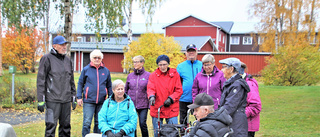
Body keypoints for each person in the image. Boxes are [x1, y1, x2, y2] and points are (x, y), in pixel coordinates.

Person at [37, 35, 76, 137]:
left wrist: (74, 97)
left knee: (66, 127)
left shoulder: (68, 61)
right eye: (61, 45)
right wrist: (40, 99)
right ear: (54, 46)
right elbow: (41, 80)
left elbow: (71, 80)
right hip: (52, 100)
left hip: (66, 100)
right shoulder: (46, 59)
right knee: (51, 127)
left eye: (65, 45)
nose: (64, 47)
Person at [77, 49, 113, 137]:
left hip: (102, 101)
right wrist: (79, 97)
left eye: (99, 58)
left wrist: (111, 98)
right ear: (91, 59)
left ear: (101, 59)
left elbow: (109, 85)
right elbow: (80, 83)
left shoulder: (106, 71)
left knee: (99, 122)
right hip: (88, 100)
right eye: (95, 58)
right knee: (87, 122)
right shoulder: (86, 70)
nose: (97, 59)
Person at [147, 54, 183, 137]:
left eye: (164, 64)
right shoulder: (153, 75)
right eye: (160, 65)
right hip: (157, 107)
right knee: (157, 132)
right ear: (158, 65)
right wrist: (151, 96)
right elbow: (150, 88)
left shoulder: (175, 74)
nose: (162, 67)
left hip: (171, 107)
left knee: (172, 132)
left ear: (168, 64)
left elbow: (179, 90)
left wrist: (171, 99)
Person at [218, 57, 250, 137]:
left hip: (237, 125)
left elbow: (229, 107)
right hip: (231, 123)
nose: (222, 70)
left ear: (231, 69)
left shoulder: (237, 85)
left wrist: (215, 118)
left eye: (224, 67)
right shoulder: (230, 84)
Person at [176, 44, 202, 127]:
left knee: (200, 119)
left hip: (199, 98)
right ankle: (184, 134)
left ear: (196, 52)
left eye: (193, 51)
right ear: (186, 53)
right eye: (189, 51)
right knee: (183, 120)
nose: (191, 53)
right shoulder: (180, 66)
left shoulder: (202, 65)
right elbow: (177, 82)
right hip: (184, 98)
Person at [125, 55, 150, 137]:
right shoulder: (130, 76)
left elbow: (150, 90)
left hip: (143, 104)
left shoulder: (148, 75)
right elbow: (125, 89)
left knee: (142, 123)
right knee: (133, 124)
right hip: (131, 104)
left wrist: (150, 104)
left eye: (136, 62)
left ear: (142, 63)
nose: (135, 64)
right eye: (134, 62)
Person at [239, 63, 262, 137]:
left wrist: (240, 114)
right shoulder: (237, 82)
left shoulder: (249, 84)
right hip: (239, 125)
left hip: (247, 126)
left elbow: (256, 106)